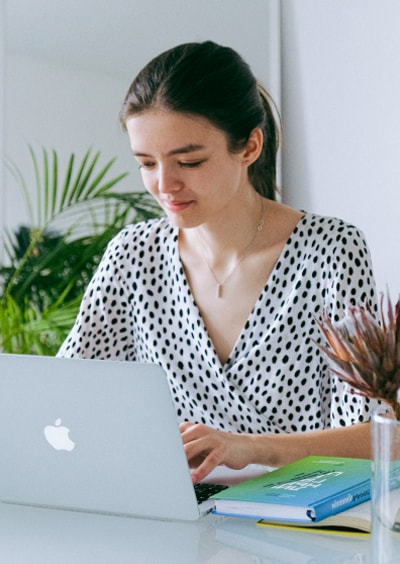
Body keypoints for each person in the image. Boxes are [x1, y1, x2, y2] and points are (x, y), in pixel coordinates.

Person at [57, 40, 379, 483]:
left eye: (189, 161)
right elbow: (63, 395)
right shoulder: (132, 254)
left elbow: (376, 436)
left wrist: (248, 448)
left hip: (301, 508)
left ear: (249, 147)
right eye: (146, 163)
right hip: (177, 509)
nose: (164, 184)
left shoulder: (330, 250)